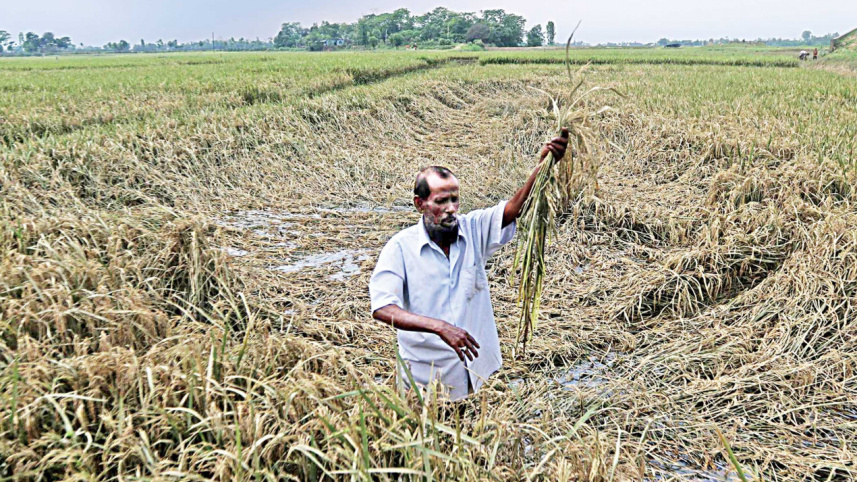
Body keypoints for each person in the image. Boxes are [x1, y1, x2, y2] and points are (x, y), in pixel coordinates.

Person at [369, 129, 569, 400]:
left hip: (476, 371)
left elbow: (513, 209)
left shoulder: (472, 230)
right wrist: (439, 327)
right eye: (441, 201)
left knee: (477, 431)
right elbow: (383, 308)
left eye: (455, 199)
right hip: (426, 379)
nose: (451, 208)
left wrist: (543, 166)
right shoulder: (400, 248)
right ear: (420, 204)